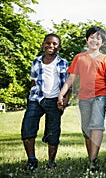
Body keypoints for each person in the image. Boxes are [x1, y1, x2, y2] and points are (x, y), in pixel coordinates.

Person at [57, 26, 106, 171]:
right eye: (92, 37)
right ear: (87, 39)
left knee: (96, 126)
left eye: (98, 38)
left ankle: (93, 160)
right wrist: (61, 93)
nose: (95, 40)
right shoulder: (79, 58)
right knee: (86, 129)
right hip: (84, 98)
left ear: (102, 43)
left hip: (100, 96)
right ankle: (91, 159)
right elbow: (71, 78)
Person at [21, 33, 70, 170]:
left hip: (54, 101)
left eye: (55, 44)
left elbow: (68, 83)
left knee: (53, 132)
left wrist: (65, 100)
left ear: (59, 47)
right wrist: (29, 99)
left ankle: (51, 162)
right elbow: (33, 81)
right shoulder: (36, 62)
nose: (51, 46)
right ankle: (32, 160)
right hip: (36, 100)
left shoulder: (63, 63)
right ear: (43, 44)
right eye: (48, 43)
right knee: (27, 128)